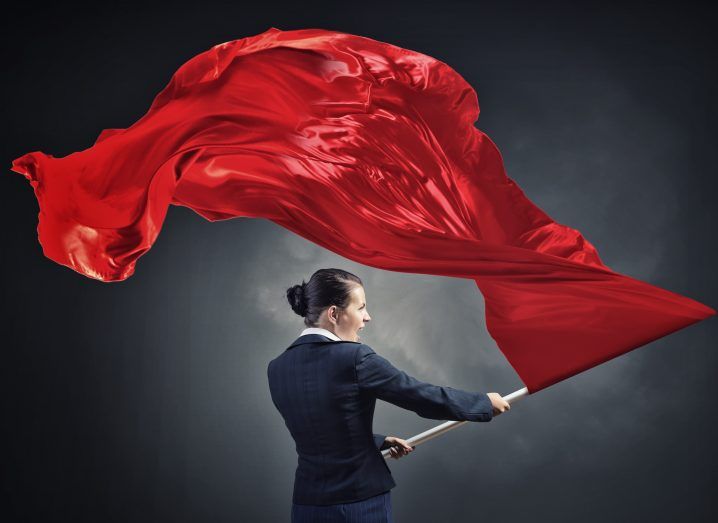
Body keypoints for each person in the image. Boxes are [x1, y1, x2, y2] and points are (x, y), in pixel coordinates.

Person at [267, 268, 510, 523]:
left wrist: (377, 441)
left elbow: (321, 429)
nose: (367, 317)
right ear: (334, 314)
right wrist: (482, 403)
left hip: (308, 505)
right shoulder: (355, 357)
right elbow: (419, 396)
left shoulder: (277, 368)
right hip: (359, 505)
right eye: (360, 308)